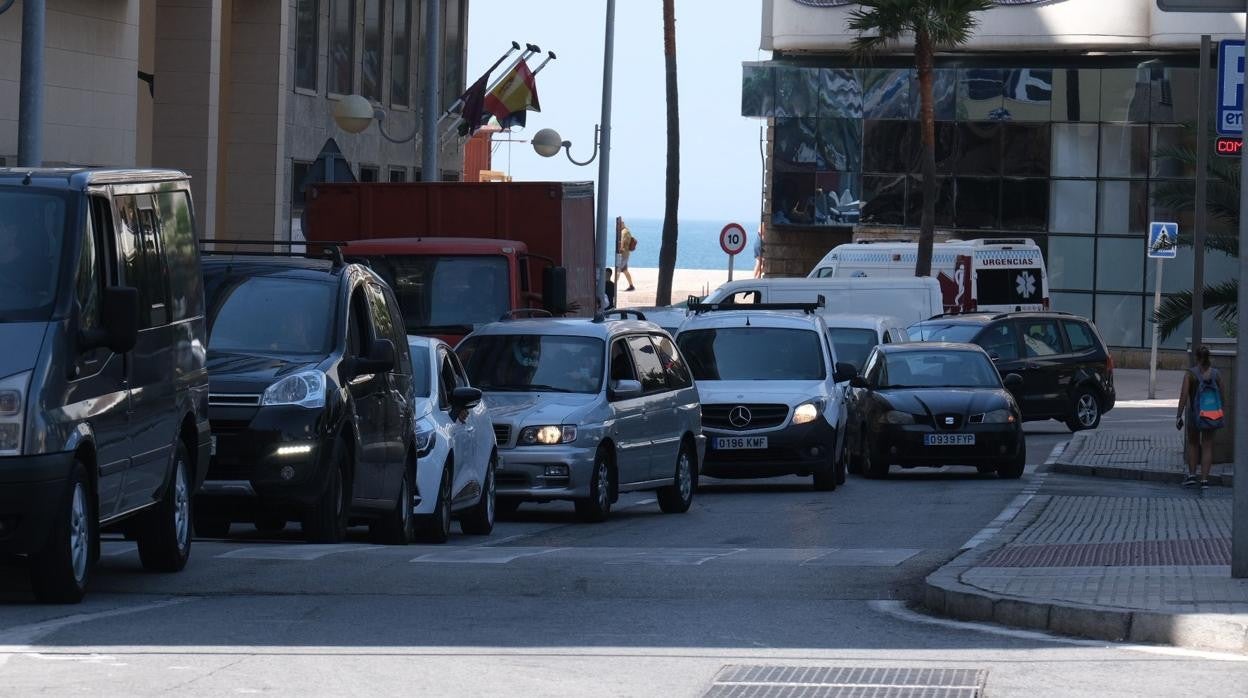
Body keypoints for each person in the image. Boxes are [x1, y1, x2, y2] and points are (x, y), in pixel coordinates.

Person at [1177, 346, 1227, 489]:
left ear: (1197, 358)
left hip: (1194, 415)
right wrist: (1218, 410)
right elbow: (1222, 396)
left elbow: (1183, 396)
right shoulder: (1216, 374)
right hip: (1211, 415)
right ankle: (1205, 480)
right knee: (1207, 446)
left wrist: (1178, 415)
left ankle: (1192, 475)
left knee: (1193, 444)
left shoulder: (1190, 374)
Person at [617, 217, 636, 291]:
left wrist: (620, 250)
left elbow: (623, 242)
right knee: (625, 270)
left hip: (623, 254)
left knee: (618, 270)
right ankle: (631, 286)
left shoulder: (624, 232)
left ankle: (613, 286)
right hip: (626, 253)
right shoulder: (627, 230)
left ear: (621, 224)